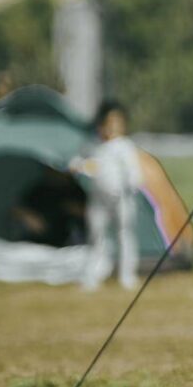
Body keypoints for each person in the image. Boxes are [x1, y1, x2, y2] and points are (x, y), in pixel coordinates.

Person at [73, 100, 143, 290]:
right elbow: (85, 164)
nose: (112, 128)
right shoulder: (93, 146)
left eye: (117, 123)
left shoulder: (125, 146)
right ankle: (94, 274)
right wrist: (79, 166)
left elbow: (133, 172)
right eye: (108, 123)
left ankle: (127, 274)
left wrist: (129, 186)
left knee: (125, 234)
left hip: (121, 198)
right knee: (97, 236)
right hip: (98, 199)